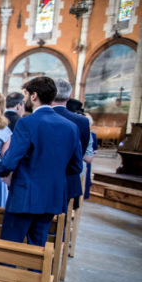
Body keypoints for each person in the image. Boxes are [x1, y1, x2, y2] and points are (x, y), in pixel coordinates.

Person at [0, 76, 82, 282]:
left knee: (10, 254)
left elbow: (10, 160)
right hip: (50, 200)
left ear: (34, 96)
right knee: (37, 256)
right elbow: (76, 166)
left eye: (26, 94)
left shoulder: (28, 123)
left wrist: (1, 170)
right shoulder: (70, 126)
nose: (24, 98)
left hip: (24, 198)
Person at [52, 79, 90, 209]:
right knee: (62, 220)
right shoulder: (82, 121)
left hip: (39, 180)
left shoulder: (35, 118)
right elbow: (81, 152)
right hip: (68, 178)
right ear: (69, 96)